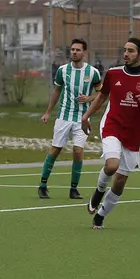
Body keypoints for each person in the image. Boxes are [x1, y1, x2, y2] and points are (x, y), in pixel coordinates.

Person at [80, 38, 140, 229]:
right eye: (125, 50)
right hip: (112, 125)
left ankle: (100, 216)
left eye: (131, 51)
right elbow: (102, 96)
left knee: (120, 180)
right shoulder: (113, 73)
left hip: (133, 134)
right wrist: (85, 117)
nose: (126, 54)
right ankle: (98, 192)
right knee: (111, 165)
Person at [37, 39, 101, 200]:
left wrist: (89, 98)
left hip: (83, 118)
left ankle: (74, 189)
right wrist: (48, 111)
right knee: (55, 149)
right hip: (64, 117)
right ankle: (43, 185)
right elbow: (57, 91)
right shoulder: (62, 70)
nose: (74, 52)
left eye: (78, 50)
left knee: (78, 152)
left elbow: (102, 94)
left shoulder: (93, 72)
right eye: (72, 49)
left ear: (85, 53)